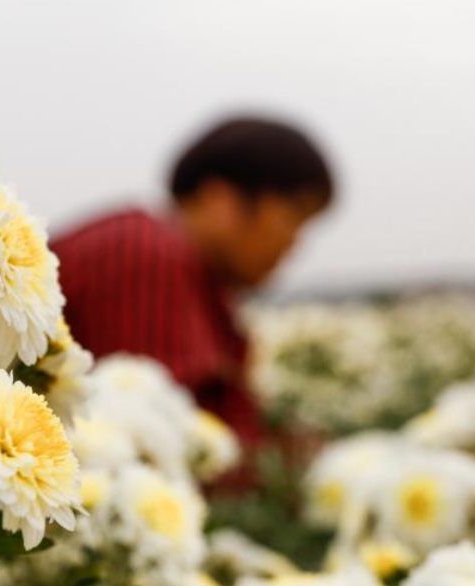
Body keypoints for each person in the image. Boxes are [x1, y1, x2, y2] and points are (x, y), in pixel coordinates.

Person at [52, 116, 334, 482]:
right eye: (293, 215)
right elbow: (161, 458)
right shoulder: (145, 258)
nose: (295, 243)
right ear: (220, 199)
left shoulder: (195, 279)